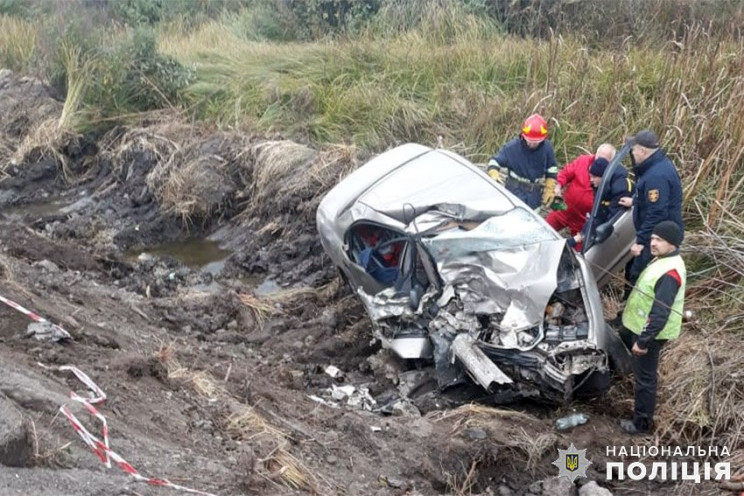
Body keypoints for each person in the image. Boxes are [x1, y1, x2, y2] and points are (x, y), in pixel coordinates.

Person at [618, 220, 686, 434]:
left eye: (659, 239)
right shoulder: (663, 259)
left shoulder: (670, 272)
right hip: (635, 325)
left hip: (650, 334)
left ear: (672, 244)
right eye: (653, 238)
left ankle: (641, 424)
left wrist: (643, 341)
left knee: (645, 379)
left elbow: (660, 313)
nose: (653, 243)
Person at [620, 130, 683, 296]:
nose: (632, 153)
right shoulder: (655, 167)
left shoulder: (656, 176)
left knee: (639, 275)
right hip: (656, 235)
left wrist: (641, 242)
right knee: (633, 269)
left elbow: (657, 213)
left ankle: (630, 318)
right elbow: (655, 199)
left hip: (658, 238)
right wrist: (636, 200)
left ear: (643, 151)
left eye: (633, 150)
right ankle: (626, 312)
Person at [546, 143, 617, 248]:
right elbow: (565, 173)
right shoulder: (583, 161)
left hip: (582, 222)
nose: (599, 162)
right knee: (542, 231)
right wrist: (558, 185)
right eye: (598, 158)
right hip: (564, 209)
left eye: (604, 160)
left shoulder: (612, 179)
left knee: (576, 254)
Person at [487, 114, 559, 210]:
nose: (532, 144)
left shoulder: (547, 148)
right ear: (523, 136)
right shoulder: (512, 147)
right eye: (529, 140)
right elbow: (494, 161)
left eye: (535, 142)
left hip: (534, 195)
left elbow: (552, 170)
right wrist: (494, 174)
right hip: (514, 192)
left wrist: (549, 190)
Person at [567, 155, 634, 249]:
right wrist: (581, 235)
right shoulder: (599, 187)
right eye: (590, 176)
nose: (591, 180)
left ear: (603, 177)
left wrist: (594, 235)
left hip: (625, 230)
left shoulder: (621, 188)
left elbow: (612, 219)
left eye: (594, 177)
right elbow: (596, 214)